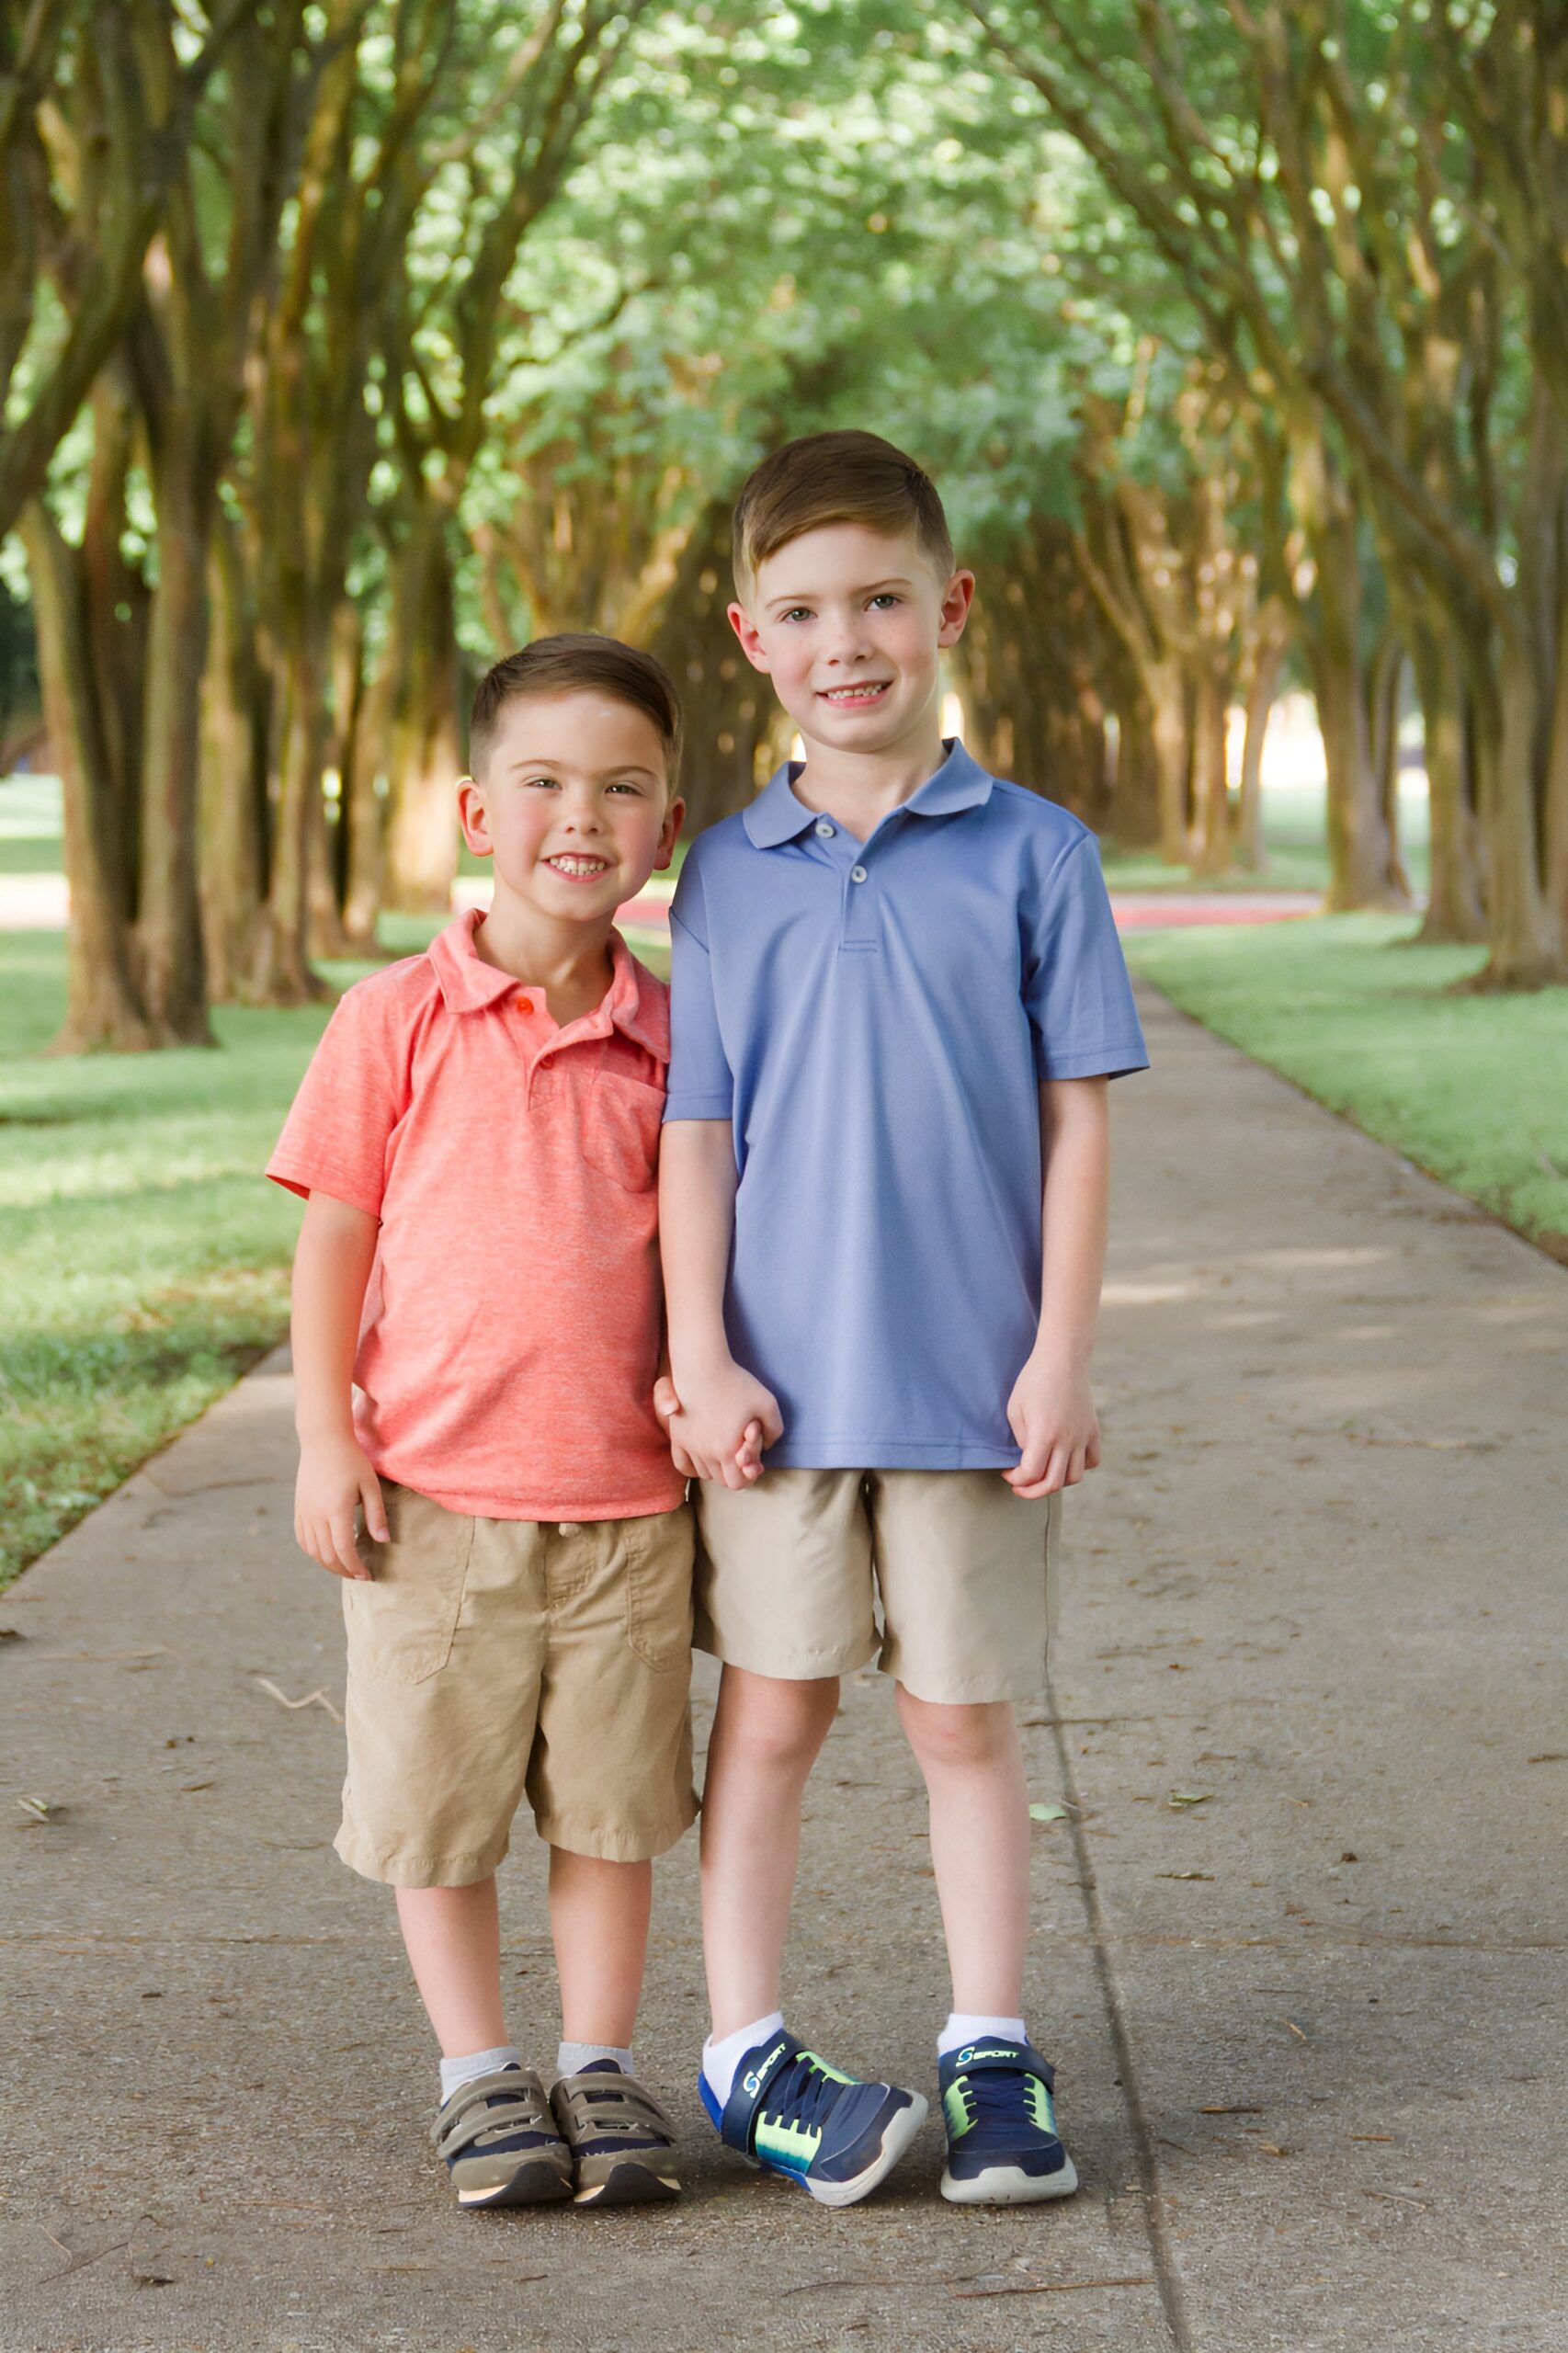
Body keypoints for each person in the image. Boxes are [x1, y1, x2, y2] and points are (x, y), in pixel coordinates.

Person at [657, 430, 1149, 2207]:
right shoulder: (721, 873)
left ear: (945, 607)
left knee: (959, 1719)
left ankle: (988, 2042)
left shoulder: (1036, 854)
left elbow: (1077, 1112)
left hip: (966, 1383)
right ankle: (743, 2053)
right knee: (771, 1712)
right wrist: (697, 1350)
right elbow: (696, 1133)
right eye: (801, 609)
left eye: (878, 599)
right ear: (748, 637)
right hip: (773, 1396)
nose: (844, 639)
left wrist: (1059, 1352)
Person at [267, 634, 706, 2211]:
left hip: (625, 1510)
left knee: (611, 1811)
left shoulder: (678, 1037)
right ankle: (477, 2076)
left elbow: (701, 1241)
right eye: (542, 781)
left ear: (666, 824)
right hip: (431, 1503)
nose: (578, 814)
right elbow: (335, 1234)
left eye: (621, 786)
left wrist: (696, 1368)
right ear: (475, 810)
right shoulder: (393, 1018)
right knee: (438, 1818)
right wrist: (329, 1437)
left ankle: (595, 2064)